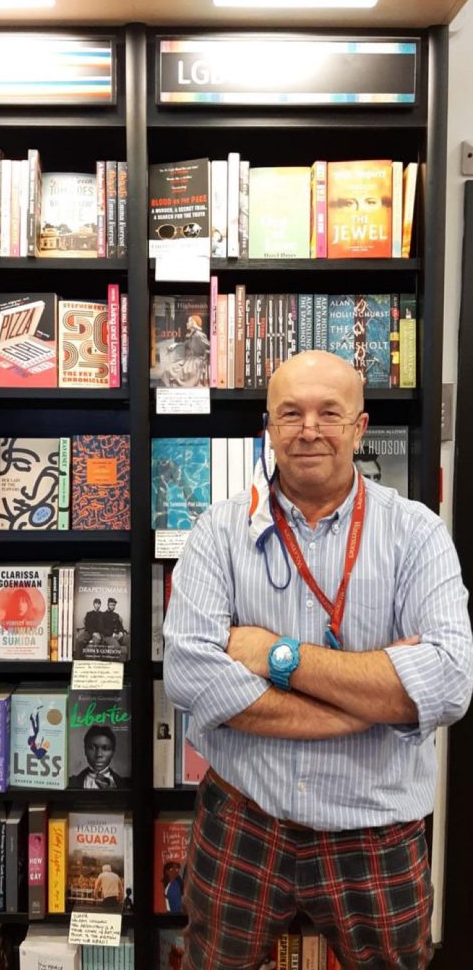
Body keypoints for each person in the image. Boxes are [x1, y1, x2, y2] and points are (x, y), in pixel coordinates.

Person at [163, 349, 473, 970]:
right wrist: (371, 700)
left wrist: (276, 656)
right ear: (268, 428)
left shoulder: (418, 535)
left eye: (329, 413)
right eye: (290, 414)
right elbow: (191, 677)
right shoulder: (216, 533)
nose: (309, 430)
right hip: (245, 818)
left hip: (377, 830)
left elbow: (446, 683)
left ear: (359, 428)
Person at [68, 724, 129, 789]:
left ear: (113, 752)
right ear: (85, 750)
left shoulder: (126, 784)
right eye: (92, 748)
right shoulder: (71, 783)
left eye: (105, 748)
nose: (98, 755)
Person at [161, 314, 210, 387]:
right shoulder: (193, 335)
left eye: (188, 322)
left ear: (193, 323)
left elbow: (209, 348)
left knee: (174, 371)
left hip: (196, 363)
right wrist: (175, 344)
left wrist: (205, 361)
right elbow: (185, 343)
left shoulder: (199, 335)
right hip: (189, 360)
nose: (187, 323)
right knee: (169, 369)